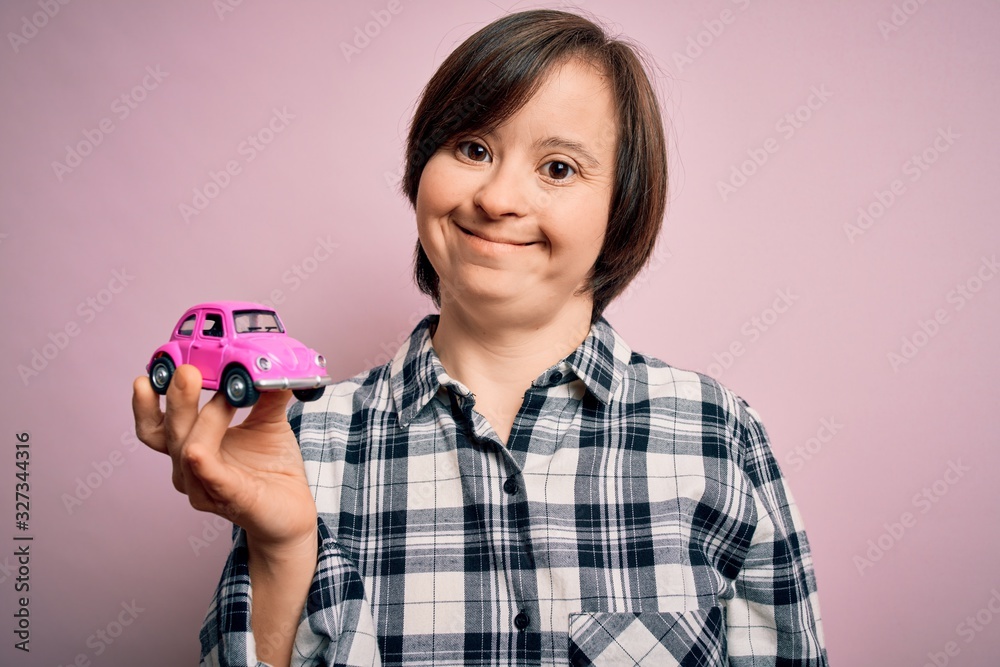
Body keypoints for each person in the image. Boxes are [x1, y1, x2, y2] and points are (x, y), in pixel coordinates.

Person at [132, 9, 828, 667]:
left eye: (558, 167)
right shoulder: (300, 442)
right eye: (472, 148)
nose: (496, 198)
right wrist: (282, 549)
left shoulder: (716, 435)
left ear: (622, 209)